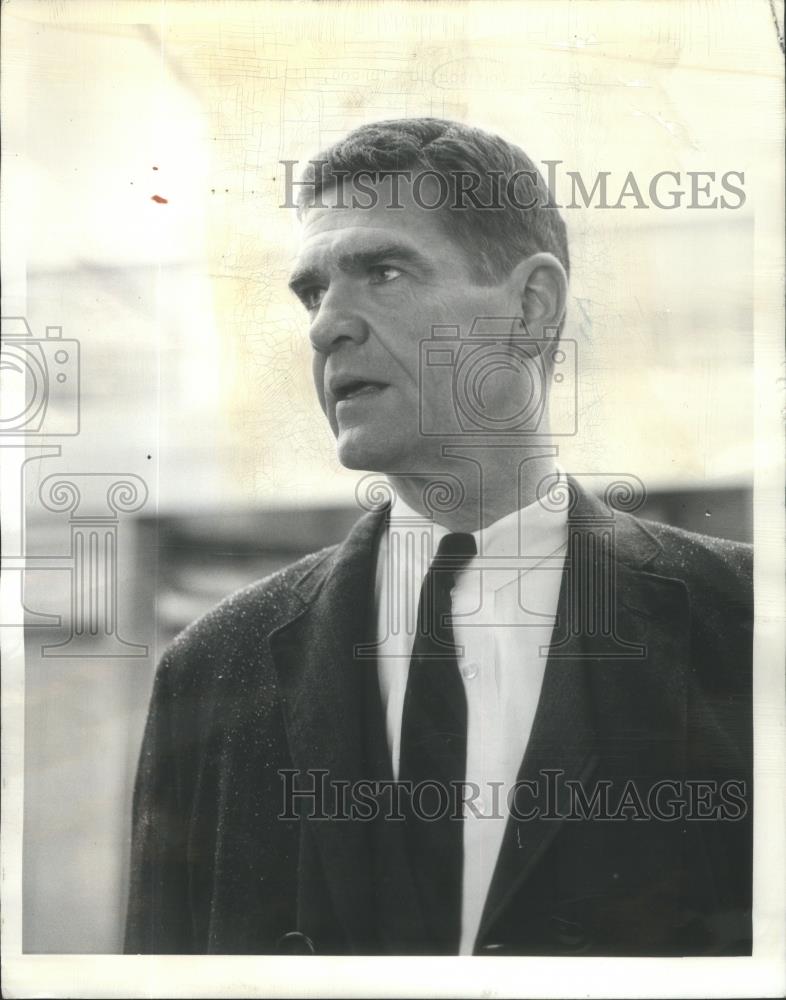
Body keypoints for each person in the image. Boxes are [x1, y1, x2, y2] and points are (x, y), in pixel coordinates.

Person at [125, 118, 753, 957]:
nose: (325, 328)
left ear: (532, 307)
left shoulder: (749, 625)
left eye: (383, 272)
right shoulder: (210, 669)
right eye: (313, 293)